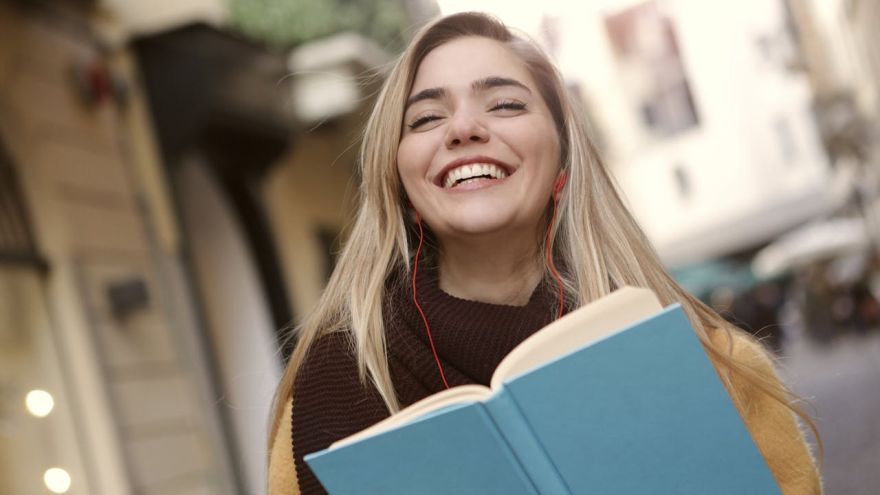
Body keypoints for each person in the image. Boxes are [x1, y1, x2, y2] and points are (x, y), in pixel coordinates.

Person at [268, 12, 822, 495]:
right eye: (427, 118)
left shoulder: (717, 369)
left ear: (563, 163)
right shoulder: (330, 391)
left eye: (505, 104)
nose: (463, 128)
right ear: (401, 183)